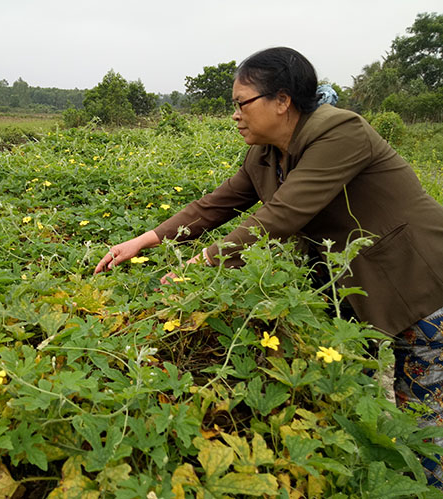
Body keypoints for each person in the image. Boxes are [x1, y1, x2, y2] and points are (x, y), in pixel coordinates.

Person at [93, 47, 443, 486]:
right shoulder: (264, 153)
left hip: (417, 279)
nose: (235, 115)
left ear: (282, 100)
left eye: (242, 103)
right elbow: (214, 206)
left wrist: (201, 264)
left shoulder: (341, 131)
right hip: (352, 293)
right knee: (352, 398)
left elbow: (282, 215)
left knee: (421, 420)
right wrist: (140, 241)